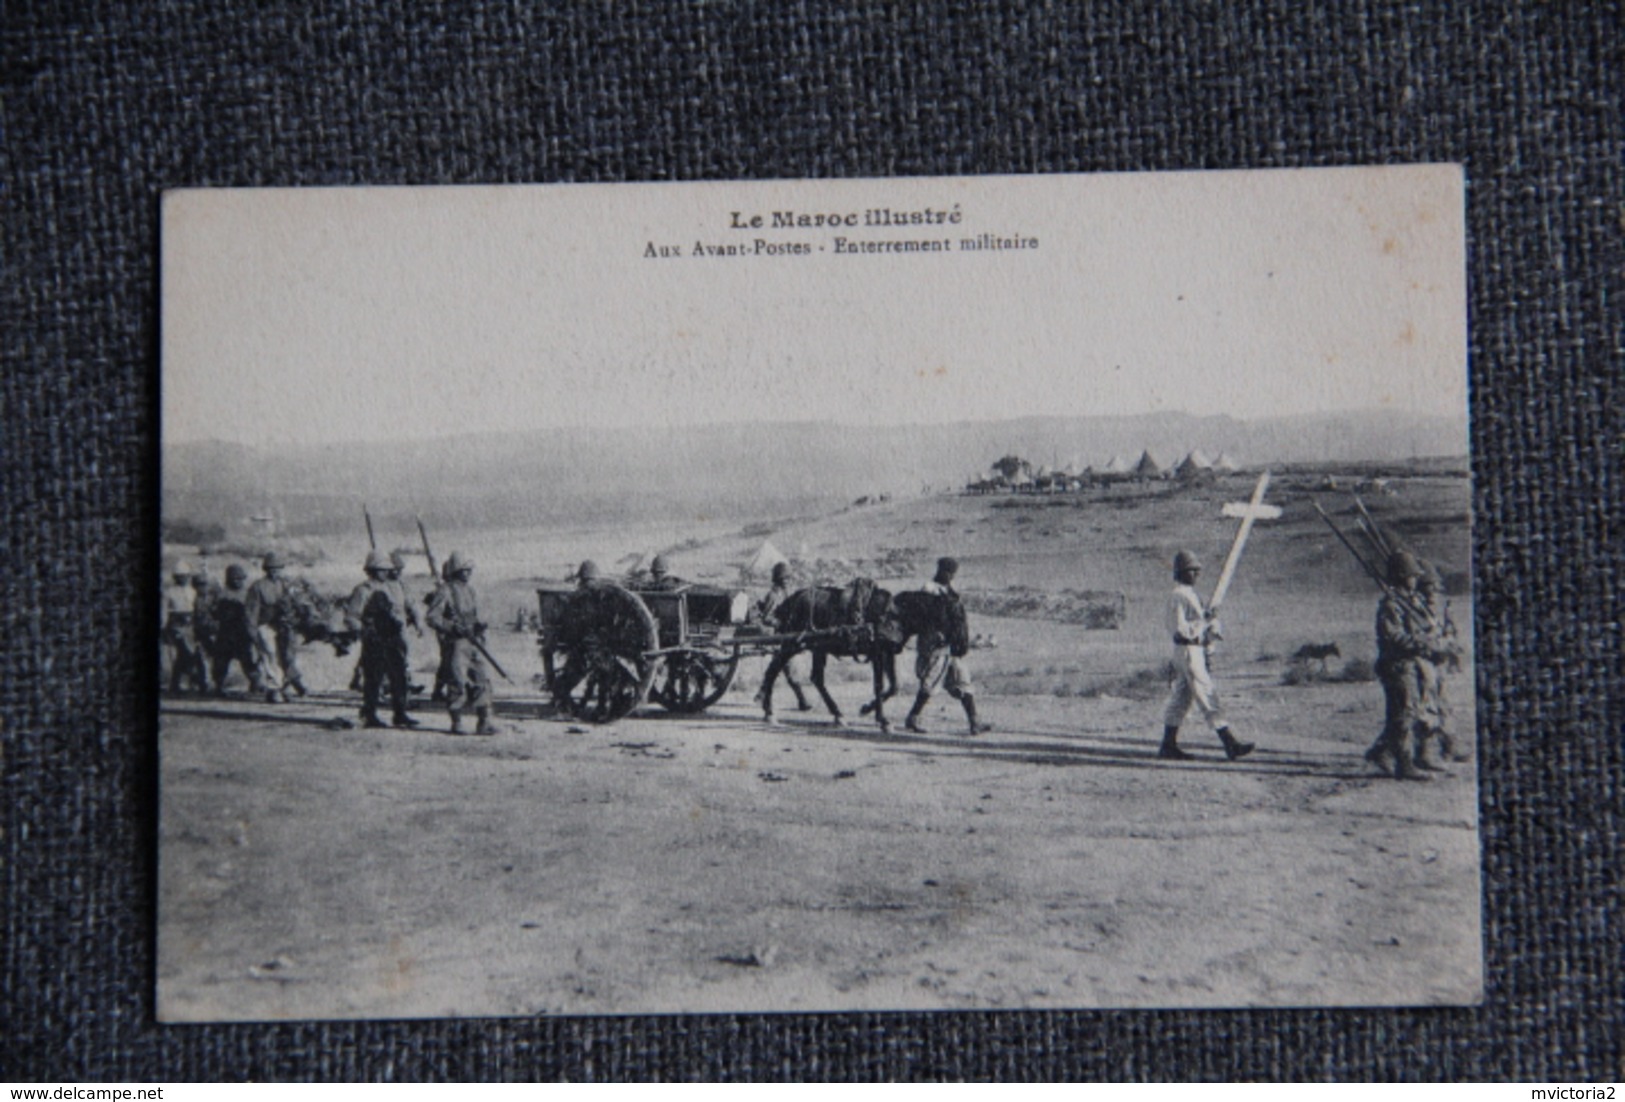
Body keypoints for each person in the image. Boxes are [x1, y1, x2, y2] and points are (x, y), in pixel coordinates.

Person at [1157, 550, 1255, 762]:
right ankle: (1230, 744)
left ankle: (1168, 745)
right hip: (1187, 650)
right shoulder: (1178, 596)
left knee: (1181, 700)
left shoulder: (1191, 595)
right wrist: (1204, 621)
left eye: (1197, 570)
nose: (1195, 574)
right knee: (1207, 694)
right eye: (1191, 570)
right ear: (1180, 572)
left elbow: (1199, 626)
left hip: (1195, 650)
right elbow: (1179, 629)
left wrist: (1210, 628)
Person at [1367, 552, 1452, 779]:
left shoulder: (1413, 601)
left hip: (1415, 664)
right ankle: (1404, 764)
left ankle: (1412, 756)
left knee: (1418, 711)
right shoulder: (1391, 605)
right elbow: (1392, 635)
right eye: (1412, 576)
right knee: (1404, 714)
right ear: (1402, 576)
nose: (1415, 580)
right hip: (1399, 665)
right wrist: (1422, 644)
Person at [902, 557, 988, 736]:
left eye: (952, 573)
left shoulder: (949, 591)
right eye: (948, 572)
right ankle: (913, 717)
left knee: (962, 680)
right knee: (931, 682)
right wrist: (936, 633)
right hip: (935, 645)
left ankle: (975, 722)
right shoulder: (929, 589)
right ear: (940, 571)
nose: (950, 576)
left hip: (951, 646)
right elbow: (924, 616)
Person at [345, 549, 421, 729]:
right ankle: (370, 714)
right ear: (371, 570)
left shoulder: (393, 587)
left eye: (387, 569)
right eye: (381, 569)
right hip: (375, 640)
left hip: (393, 638)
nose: (386, 572)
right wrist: (366, 632)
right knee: (373, 679)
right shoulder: (363, 590)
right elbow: (351, 617)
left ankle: (400, 713)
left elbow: (402, 609)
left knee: (399, 676)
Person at [425, 552, 494, 736]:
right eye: (464, 570)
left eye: (469, 570)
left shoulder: (470, 591)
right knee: (457, 682)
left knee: (481, 679)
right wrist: (451, 627)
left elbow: (474, 615)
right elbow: (432, 617)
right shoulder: (445, 591)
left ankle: (484, 721)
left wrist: (479, 626)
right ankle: (457, 722)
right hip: (455, 643)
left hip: (473, 641)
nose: (468, 573)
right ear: (456, 571)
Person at [1414, 563, 1467, 767]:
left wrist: (1450, 645)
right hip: (1423, 660)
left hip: (1441, 660)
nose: (1433, 592)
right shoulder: (1413, 606)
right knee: (1426, 706)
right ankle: (1424, 751)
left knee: (1445, 704)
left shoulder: (1444, 605)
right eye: (1428, 586)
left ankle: (1450, 745)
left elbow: (1451, 629)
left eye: (1435, 586)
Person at [245, 551, 310, 703]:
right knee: (270, 655)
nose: (275, 571)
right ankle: (274, 689)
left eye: (278, 568)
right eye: (271, 568)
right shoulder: (258, 587)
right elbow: (251, 611)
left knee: (287, 656)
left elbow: (297, 604)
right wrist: (252, 630)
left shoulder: (287, 585)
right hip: (265, 625)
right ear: (266, 569)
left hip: (284, 625)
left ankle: (285, 687)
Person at [752, 561, 812, 712]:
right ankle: (802, 701)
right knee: (787, 668)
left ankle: (762, 694)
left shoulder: (788, 594)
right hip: (778, 636)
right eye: (784, 579)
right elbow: (767, 618)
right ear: (777, 580)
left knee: (782, 667)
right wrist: (779, 623)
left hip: (786, 636)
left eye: (788, 578)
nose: (787, 581)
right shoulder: (774, 595)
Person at [206, 563, 265, 695]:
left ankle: (256, 683)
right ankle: (219, 685)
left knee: (248, 659)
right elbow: (214, 612)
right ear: (228, 579)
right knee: (221, 660)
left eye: (240, 578)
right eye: (235, 578)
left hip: (242, 632)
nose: (238, 581)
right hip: (225, 633)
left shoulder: (248, 593)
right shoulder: (222, 594)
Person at [161, 562, 208, 694]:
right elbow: (164, 611)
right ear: (175, 577)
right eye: (180, 576)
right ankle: (198, 680)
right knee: (185, 651)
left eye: (186, 576)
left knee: (188, 654)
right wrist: (163, 627)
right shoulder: (169, 592)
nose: (184, 578)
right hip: (175, 625)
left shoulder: (192, 592)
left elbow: (197, 610)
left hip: (190, 626)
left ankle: (177, 684)